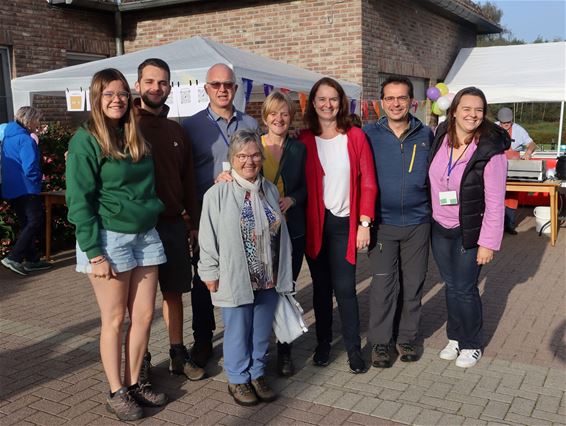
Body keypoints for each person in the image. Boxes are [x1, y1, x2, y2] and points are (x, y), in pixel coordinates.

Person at [65, 68, 169, 421]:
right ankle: (116, 390)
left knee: (142, 317)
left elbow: (147, 187)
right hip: (109, 238)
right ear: (96, 98)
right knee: (114, 320)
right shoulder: (85, 140)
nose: (117, 99)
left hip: (145, 235)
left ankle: (136, 380)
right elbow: (79, 200)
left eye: (122, 93)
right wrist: (94, 252)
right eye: (109, 93)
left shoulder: (132, 133)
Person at [198, 129, 293, 406]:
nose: (249, 161)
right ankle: (238, 379)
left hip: (267, 277)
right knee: (238, 330)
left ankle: (257, 373)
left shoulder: (270, 190)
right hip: (236, 275)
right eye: (242, 156)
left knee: (261, 331)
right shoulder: (218, 193)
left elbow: (278, 232)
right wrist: (209, 272)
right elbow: (208, 237)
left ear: (261, 158)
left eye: (254, 155)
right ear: (232, 159)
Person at [216, 91, 306, 376]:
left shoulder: (298, 148)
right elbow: (237, 167)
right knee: (255, 297)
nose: (279, 119)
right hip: (252, 232)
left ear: (291, 117)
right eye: (273, 113)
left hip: (287, 229)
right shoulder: (254, 145)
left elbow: (305, 186)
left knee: (283, 290)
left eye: (285, 113)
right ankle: (250, 359)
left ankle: (284, 352)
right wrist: (224, 174)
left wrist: (292, 199)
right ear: (265, 117)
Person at [133, 58, 205, 382]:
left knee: (174, 292)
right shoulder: (126, 125)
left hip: (174, 223)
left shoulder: (177, 129)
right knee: (141, 301)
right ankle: (141, 358)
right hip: (140, 227)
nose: (156, 88)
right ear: (138, 85)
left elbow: (187, 180)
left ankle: (177, 351)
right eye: (150, 81)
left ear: (170, 87)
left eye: (162, 82)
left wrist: (192, 223)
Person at [182, 63, 258, 368]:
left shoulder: (250, 123)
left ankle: (243, 335)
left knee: (244, 276)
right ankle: (203, 339)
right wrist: (190, 219)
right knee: (203, 280)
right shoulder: (190, 126)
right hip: (206, 218)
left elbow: (257, 164)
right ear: (206, 89)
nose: (222, 89)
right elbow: (185, 174)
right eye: (216, 85)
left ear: (236, 89)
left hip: (243, 215)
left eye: (228, 84)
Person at [300, 77, 377, 373]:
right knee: (320, 289)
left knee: (345, 289)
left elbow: (368, 182)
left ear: (341, 102)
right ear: (313, 103)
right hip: (316, 225)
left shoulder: (355, 136)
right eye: (321, 99)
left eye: (333, 99)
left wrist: (365, 222)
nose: (327, 104)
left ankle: (353, 349)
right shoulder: (304, 140)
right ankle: (322, 343)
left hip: (347, 224)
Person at [429, 87, 509, 369]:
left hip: (470, 231)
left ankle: (472, 343)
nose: (472, 115)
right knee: (451, 286)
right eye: (466, 108)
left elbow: (496, 202)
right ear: (454, 111)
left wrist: (488, 242)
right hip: (440, 227)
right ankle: (455, 337)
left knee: (465, 288)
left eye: (478, 110)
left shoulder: (490, 149)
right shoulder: (441, 136)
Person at [363, 76, 433, 368]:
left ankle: (407, 338)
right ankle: (380, 343)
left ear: (411, 101)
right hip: (383, 224)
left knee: (414, 284)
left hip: (418, 223)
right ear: (382, 102)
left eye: (401, 98)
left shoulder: (426, 134)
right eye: (390, 98)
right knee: (383, 286)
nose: (395, 103)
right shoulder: (368, 134)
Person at [1, 107, 52, 275]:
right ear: (29, 120)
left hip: (11, 187)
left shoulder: (7, 138)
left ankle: (32, 260)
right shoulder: (26, 140)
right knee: (34, 221)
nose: (38, 124)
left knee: (26, 223)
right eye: (37, 120)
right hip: (27, 187)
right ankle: (14, 257)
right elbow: (29, 167)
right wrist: (40, 178)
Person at [496, 107, 537, 235]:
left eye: (507, 123)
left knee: (512, 196)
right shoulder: (493, 128)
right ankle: (497, 227)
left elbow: (532, 144)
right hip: (497, 165)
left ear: (512, 120)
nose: (505, 125)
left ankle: (509, 225)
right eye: (502, 123)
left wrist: (528, 152)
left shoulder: (519, 130)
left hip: (514, 166)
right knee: (496, 196)